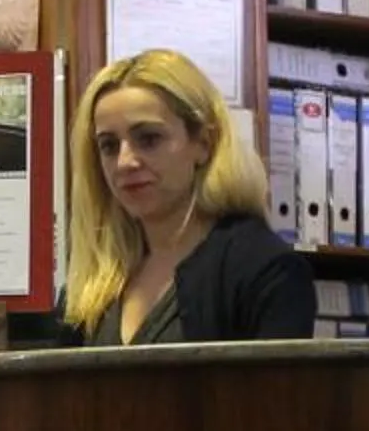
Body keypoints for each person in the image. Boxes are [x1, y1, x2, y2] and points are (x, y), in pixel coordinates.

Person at [65, 48, 311, 346]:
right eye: (109, 146)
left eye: (149, 139)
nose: (125, 162)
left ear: (203, 144)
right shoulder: (100, 278)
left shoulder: (264, 268)